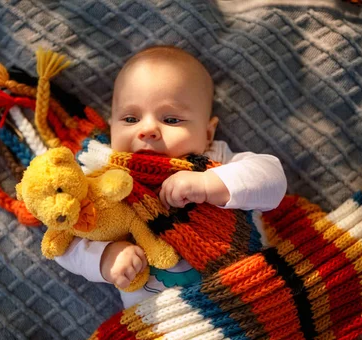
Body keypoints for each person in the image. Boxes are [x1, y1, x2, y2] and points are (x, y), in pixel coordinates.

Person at [55, 45, 287, 308]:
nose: (148, 129)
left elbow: (273, 179)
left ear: (208, 134)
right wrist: (104, 258)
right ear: (111, 127)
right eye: (131, 118)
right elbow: (64, 240)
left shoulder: (214, 161)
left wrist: (210, 183)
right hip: (163, 324)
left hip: (251, 293)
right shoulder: (104, 178)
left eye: (172, 119)